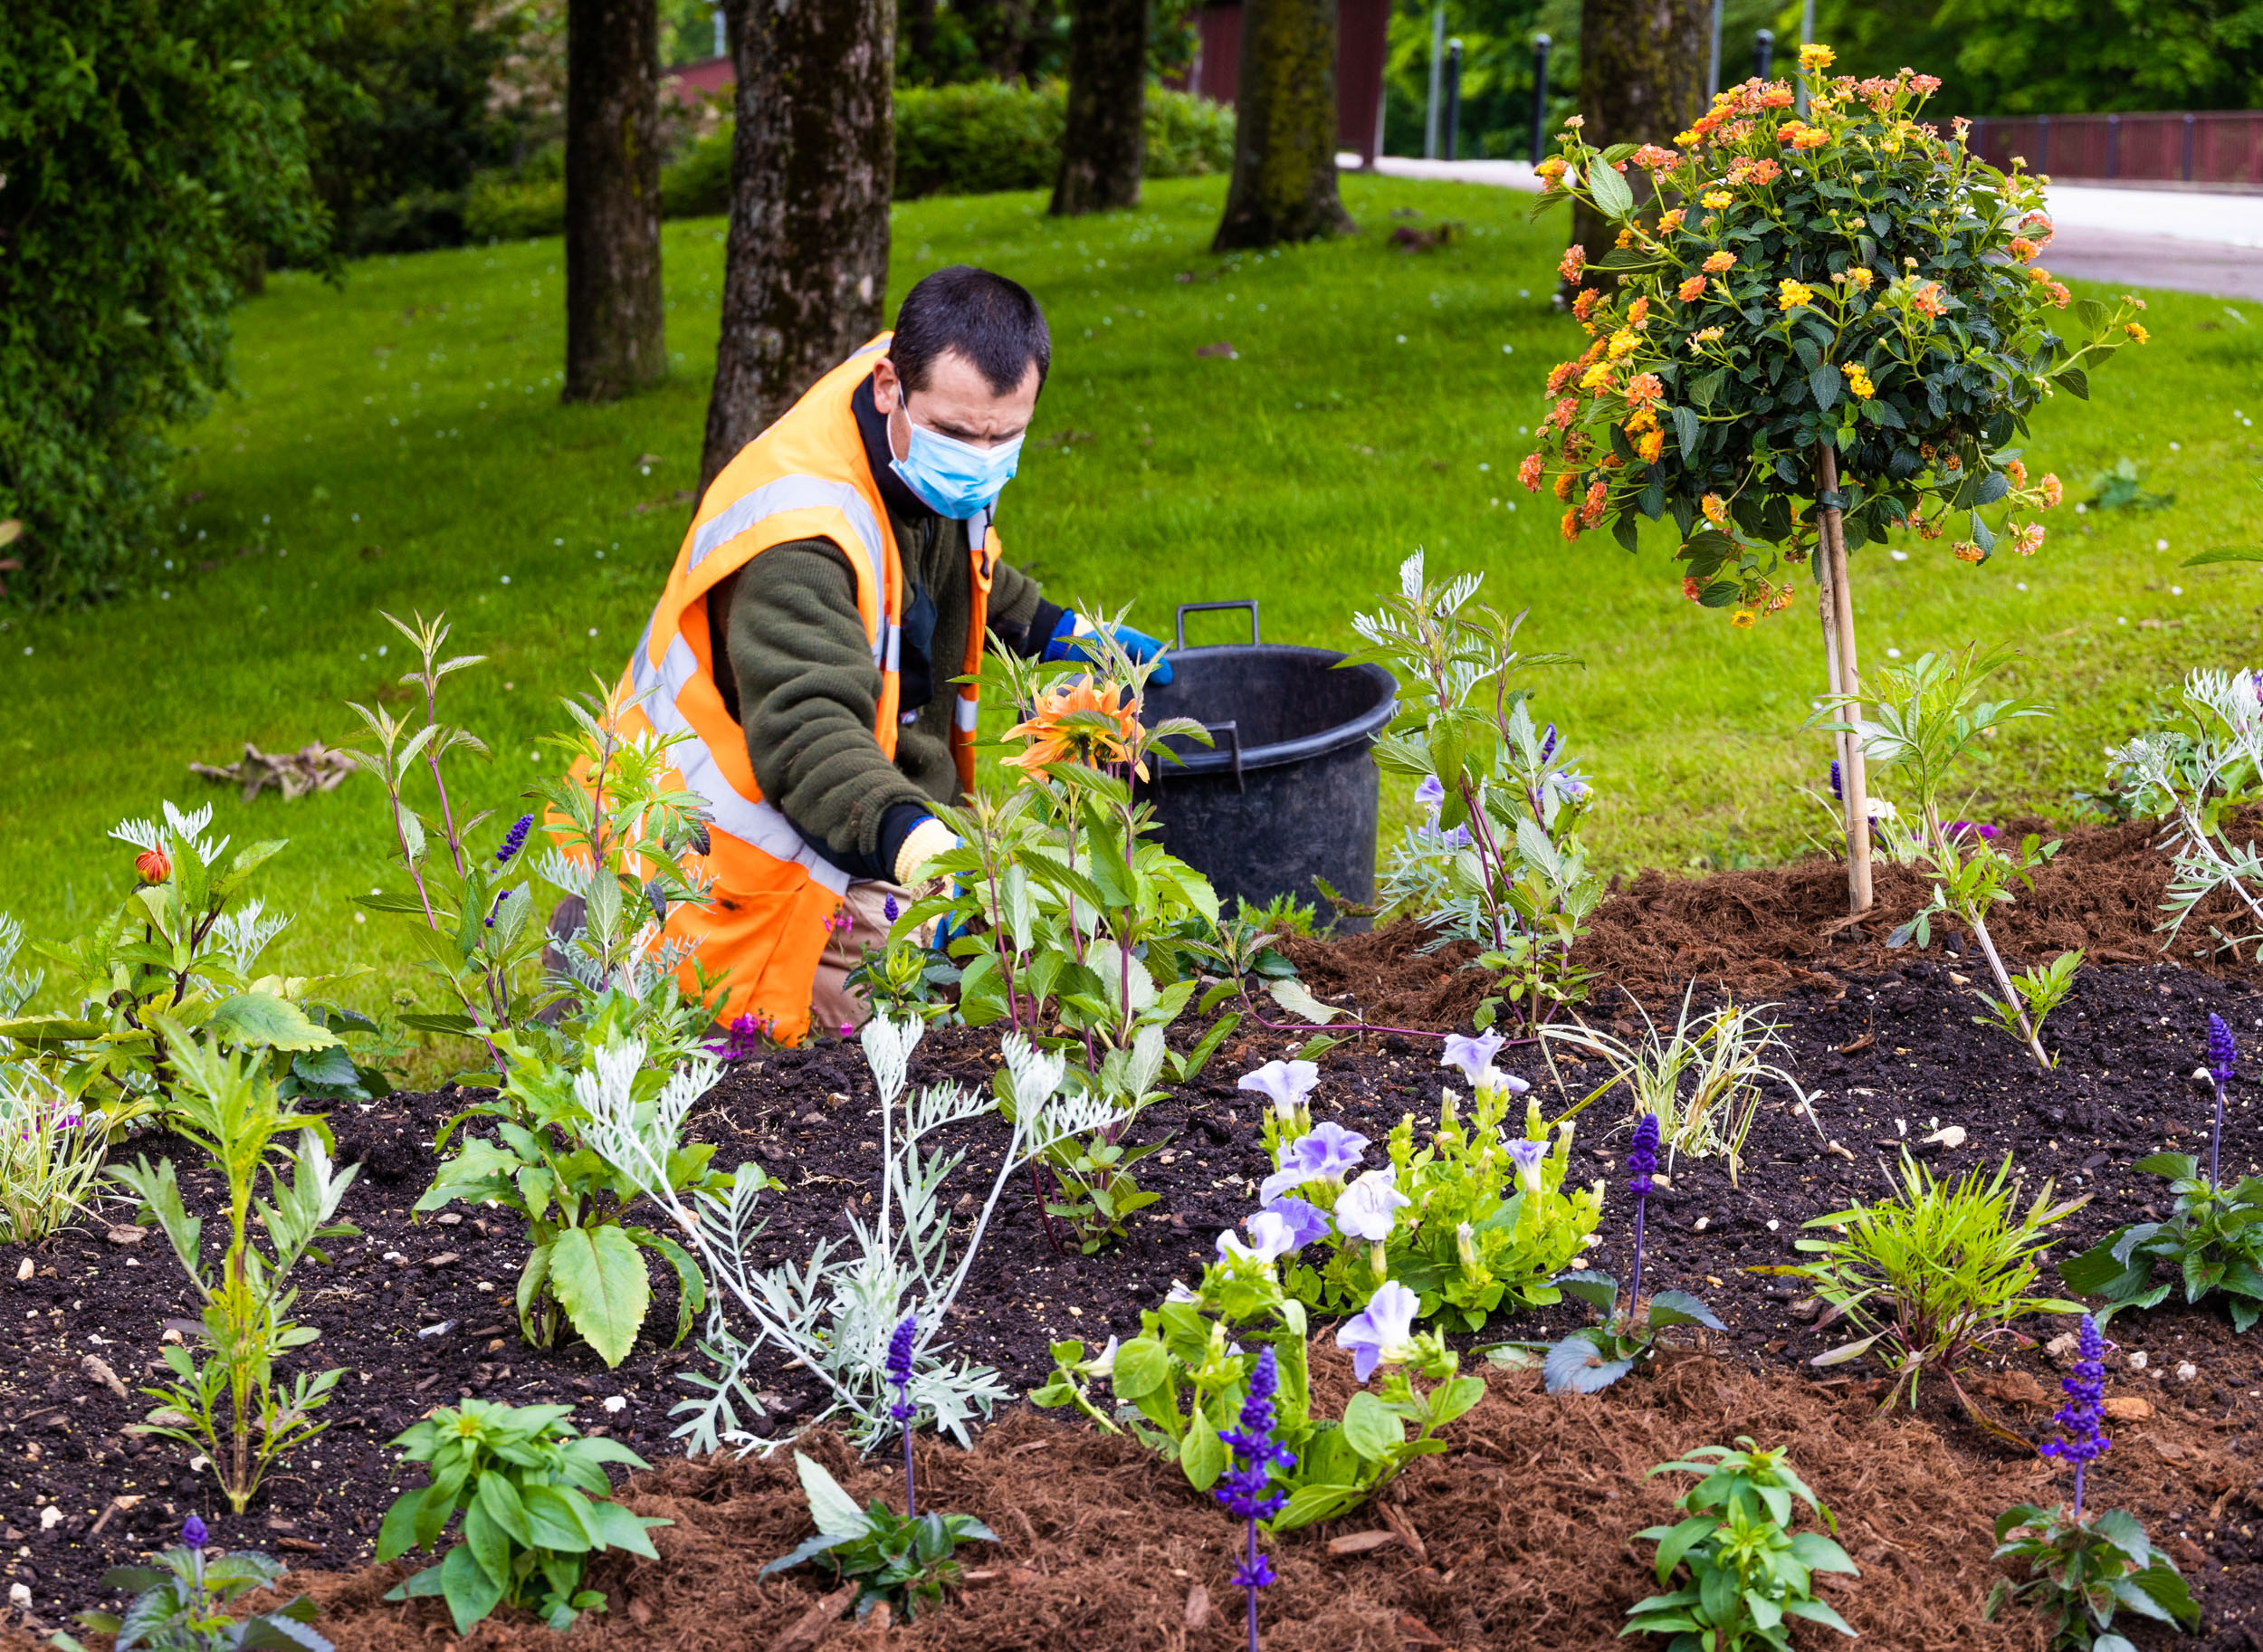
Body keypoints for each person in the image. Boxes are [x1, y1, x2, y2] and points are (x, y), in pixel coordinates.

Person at [599, 265, 1169, 1045]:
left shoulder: (924, 430)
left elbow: (948, 564)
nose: (983, 457)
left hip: (839, 821)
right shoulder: (800, 534)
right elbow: (807, 730)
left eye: (1006, 436)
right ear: (888, 387)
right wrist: (915, 841)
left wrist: (1056, 628)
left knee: (1029, 981)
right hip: (707, 875)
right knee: (891, 1059)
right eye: (963, 437)